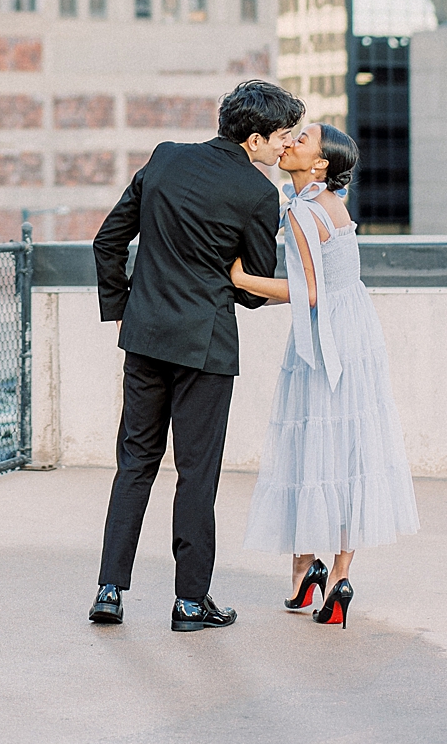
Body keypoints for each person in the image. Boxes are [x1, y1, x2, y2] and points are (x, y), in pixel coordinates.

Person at [88, 78, 305, 632]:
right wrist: (226, 283)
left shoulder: (164, 159)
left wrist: (121, 305)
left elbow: (108, 240)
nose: (286, 146)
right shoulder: (259, 194)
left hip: (144, 336)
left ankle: (109, 591)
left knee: (134, 463)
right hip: (205, 345)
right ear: (254, 140)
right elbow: (254, 285)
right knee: (196, 474)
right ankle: (189, 602)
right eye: (282, 137)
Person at [231, 123, 419, 629]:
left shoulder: (303, 211)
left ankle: (305, 569)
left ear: (320, 166)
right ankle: (335, 577)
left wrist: (241, 279)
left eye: (303, 139)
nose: (289, 142)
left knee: (313, 447)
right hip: (355, 330)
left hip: (324, 337)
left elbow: (309, 291)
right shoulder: (333, 204)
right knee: (348, 447)